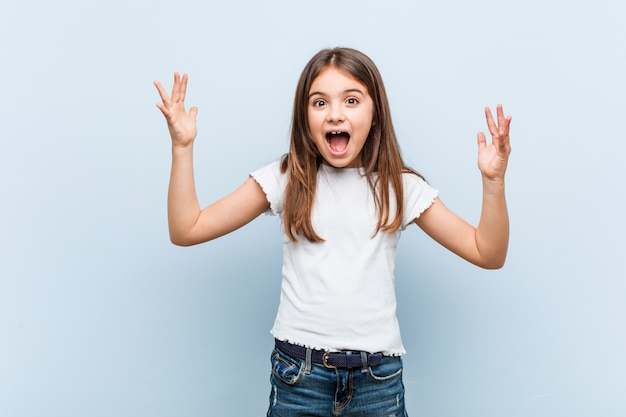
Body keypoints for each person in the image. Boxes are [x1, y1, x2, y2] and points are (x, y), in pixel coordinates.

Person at [154, 47, 511, 417]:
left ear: (375, 115)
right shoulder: (286, 178)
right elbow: (187, 229)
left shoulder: (399, 188)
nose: (335, 113)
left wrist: (493, 182)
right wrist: (182, 147)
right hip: (299, 379)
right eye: (319, 102)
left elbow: (488, 253)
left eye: (352, 100)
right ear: (305, 117)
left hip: (378, 382)